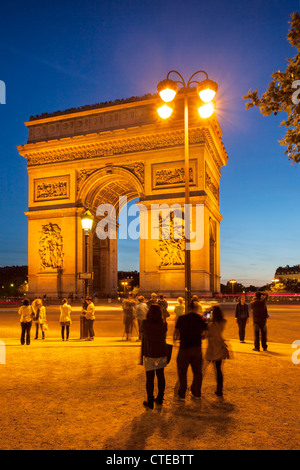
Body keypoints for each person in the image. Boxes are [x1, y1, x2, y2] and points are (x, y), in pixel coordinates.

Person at [173, 300, 207, 401]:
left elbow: (176, 333)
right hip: (196, 348)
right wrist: (200, 336)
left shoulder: (181, 318)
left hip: (184, 348)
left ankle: (182, 392)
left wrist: (175, 341)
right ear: (196, 309)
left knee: (182, 371)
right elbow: (206, 333)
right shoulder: (200, 318)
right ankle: (197, 392)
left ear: (187, 309)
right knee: (197, 372)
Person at [141, 304, 168, 409]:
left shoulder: (145, 323)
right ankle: (160, 398)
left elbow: (142, 332)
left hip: (150, 354)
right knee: (160, 375)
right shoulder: (164, 324)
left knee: (150, 378)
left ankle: (150, 401)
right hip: (161, 353)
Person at [205, 305, 228, 397]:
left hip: (212, 347)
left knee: (203, 368)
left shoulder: (211, 325)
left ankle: (196, 387)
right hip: (220, 347)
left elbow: (206, 334)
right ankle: (219, 389)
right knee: (218, 370)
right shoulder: (223, 322)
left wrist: (206, 316)